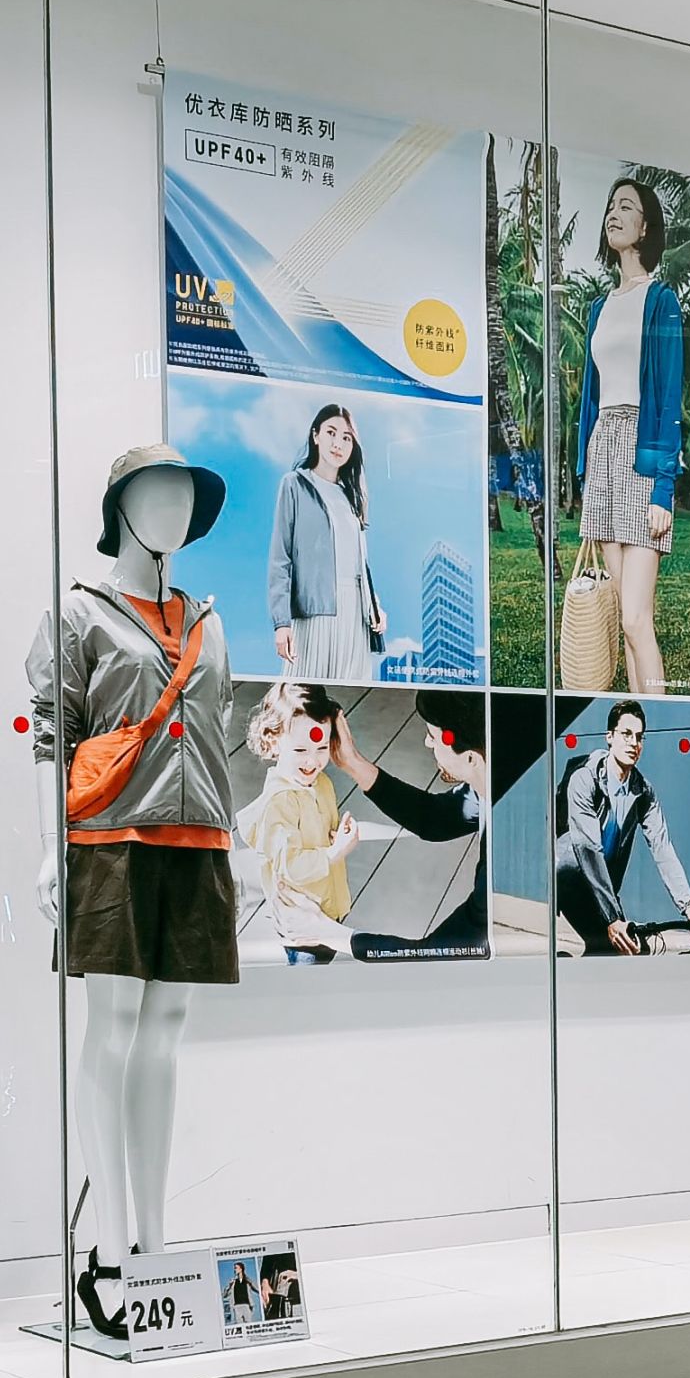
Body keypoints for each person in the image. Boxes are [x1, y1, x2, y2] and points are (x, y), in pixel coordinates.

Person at [575, 177, 686, 694]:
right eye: (610, 205)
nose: (614, 213)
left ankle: (660, 723)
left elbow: (668, 398)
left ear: (645, 227)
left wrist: (664, 487)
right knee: (624, 617)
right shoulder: (599, 307)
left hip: (642, 454)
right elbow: (590, 399)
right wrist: (585, 470)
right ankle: (639, 718)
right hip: (604, 452)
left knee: (637, 619)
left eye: (627, 206)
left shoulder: (661, 301)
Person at [323, 701, 491, 959]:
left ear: (471, 757)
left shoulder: (507, 863)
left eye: (434, 737)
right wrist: (353, 763)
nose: (427, 743)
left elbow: (436, 954)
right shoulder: (502, 778)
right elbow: (437, 817)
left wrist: (326, 934)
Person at [555, 699, 690, 955]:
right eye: (626, 734)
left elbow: (663, 849)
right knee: (611, 948)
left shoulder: (642, 791)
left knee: (632, 951)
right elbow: (588, 849)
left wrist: (689, 908)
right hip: (569, 878)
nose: (633, 743)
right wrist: (612, 918)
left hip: (602, 886)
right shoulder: (585, 779)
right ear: (609, 737)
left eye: (639, 737)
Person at [236, 684, 365, 961]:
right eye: (300, 749)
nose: (312, 760)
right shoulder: (279, 801)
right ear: (273, 742)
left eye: (321, 748)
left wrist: (333, 837)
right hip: (302, 927)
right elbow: (290, 866)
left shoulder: (321, 783)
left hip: (328, 907)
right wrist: (335, 851)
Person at [265, 404, 387, 680]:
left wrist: (375, 605)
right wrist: (281, 623)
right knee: (304, 693)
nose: (338, 443)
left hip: (356, 612)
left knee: (350, 689)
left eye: (346, 437)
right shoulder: (295, 484)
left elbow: (359, 562)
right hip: (315, 610)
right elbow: (280, 558)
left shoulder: (352, 496)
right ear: (315, 435)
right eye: (331, 432)